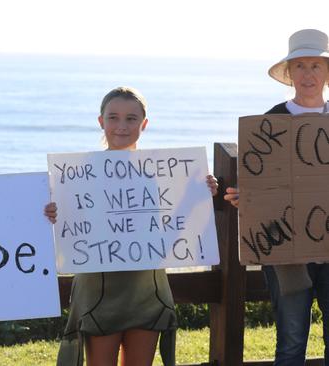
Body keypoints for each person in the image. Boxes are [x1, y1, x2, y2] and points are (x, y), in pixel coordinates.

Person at [46, 86, 219, 366]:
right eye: (113, 117)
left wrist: (201, 192)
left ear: (144, 124)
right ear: (101, 121)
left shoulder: (162, 171)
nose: (122, 126)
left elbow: (176, 227)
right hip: (98, 290)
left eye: (131, 118)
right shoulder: (77, 173)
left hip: (146, 288)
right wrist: (52, 212)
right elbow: (65, 227)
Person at [224, 29, 329, 365]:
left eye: (316, 65)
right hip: (286, 253)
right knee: (291, 339)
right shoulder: (270, 122)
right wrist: (247, 198)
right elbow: (260, 183)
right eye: (300, 66)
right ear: (289, 74)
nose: (308, 74)